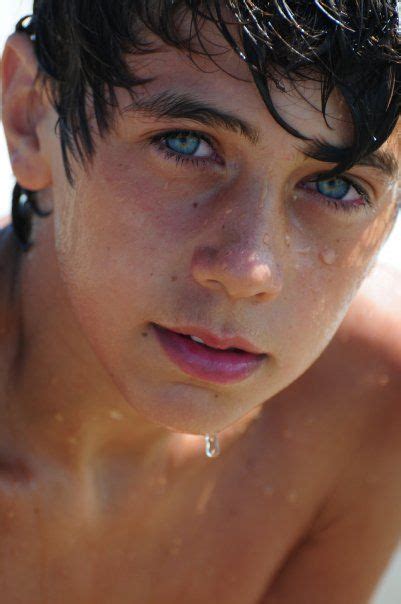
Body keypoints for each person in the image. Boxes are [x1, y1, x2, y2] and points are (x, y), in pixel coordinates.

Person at [0, 1, 400, 602]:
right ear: (31, 114)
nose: (248, 269)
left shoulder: (363, 408)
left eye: (336, 183)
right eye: (186, 143)